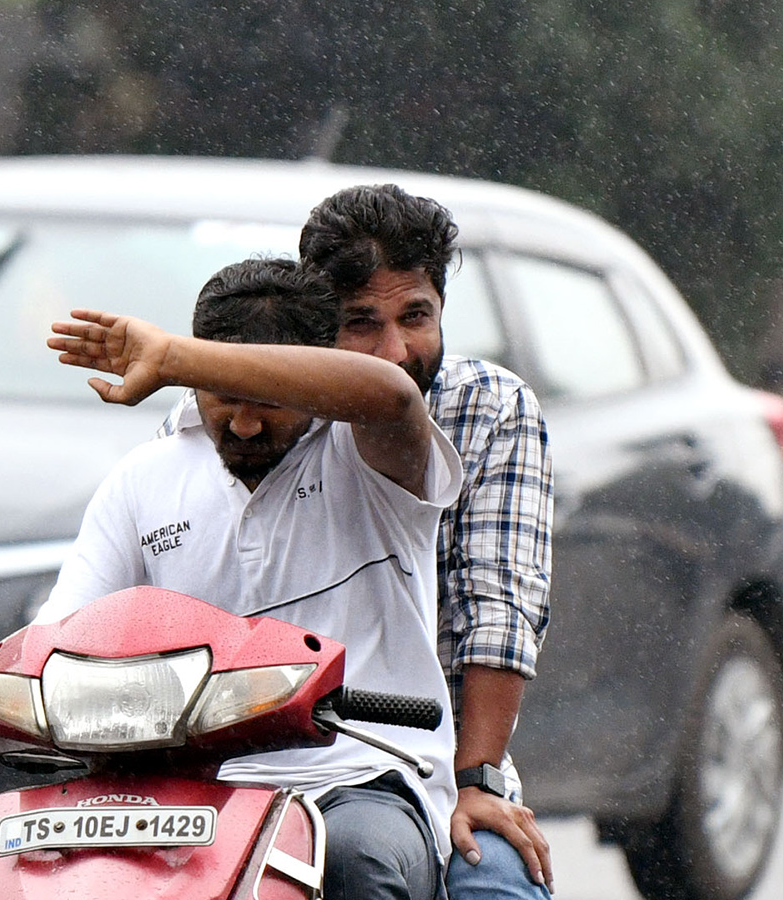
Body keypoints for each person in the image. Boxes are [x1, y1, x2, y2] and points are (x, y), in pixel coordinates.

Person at [0, 258, 463, 900]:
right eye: (223, 398)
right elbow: (57, 638)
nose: (245, 425)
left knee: (356, 867)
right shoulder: (146, 478)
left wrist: (172, 355)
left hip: (353, 781)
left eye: (269, 401)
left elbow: (391, 394)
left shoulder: (372, 459)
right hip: (173, 789)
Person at [150, 185, 555, 897]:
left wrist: (479, 780)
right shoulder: (242, 425)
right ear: (316, 326)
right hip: (238, 770)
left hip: (433, 769)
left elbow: (496, 612)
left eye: (416, 317)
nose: (395, 352)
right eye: (361, 323)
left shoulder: (487, 408)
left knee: (492, 884)